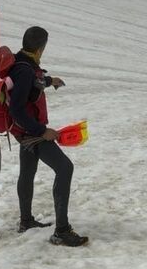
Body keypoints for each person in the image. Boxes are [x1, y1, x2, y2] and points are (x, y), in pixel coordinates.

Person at [7, 26, 88, 246]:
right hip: (32, 131)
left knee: (28, 171)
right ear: (41, 47)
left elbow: (33, 83)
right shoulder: (24, 70)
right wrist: (42, 131)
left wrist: (50, 80)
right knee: (65, 168)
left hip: (24, 132)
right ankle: (61, 231)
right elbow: (17, 108)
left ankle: (26, 221)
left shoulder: (20, 63)